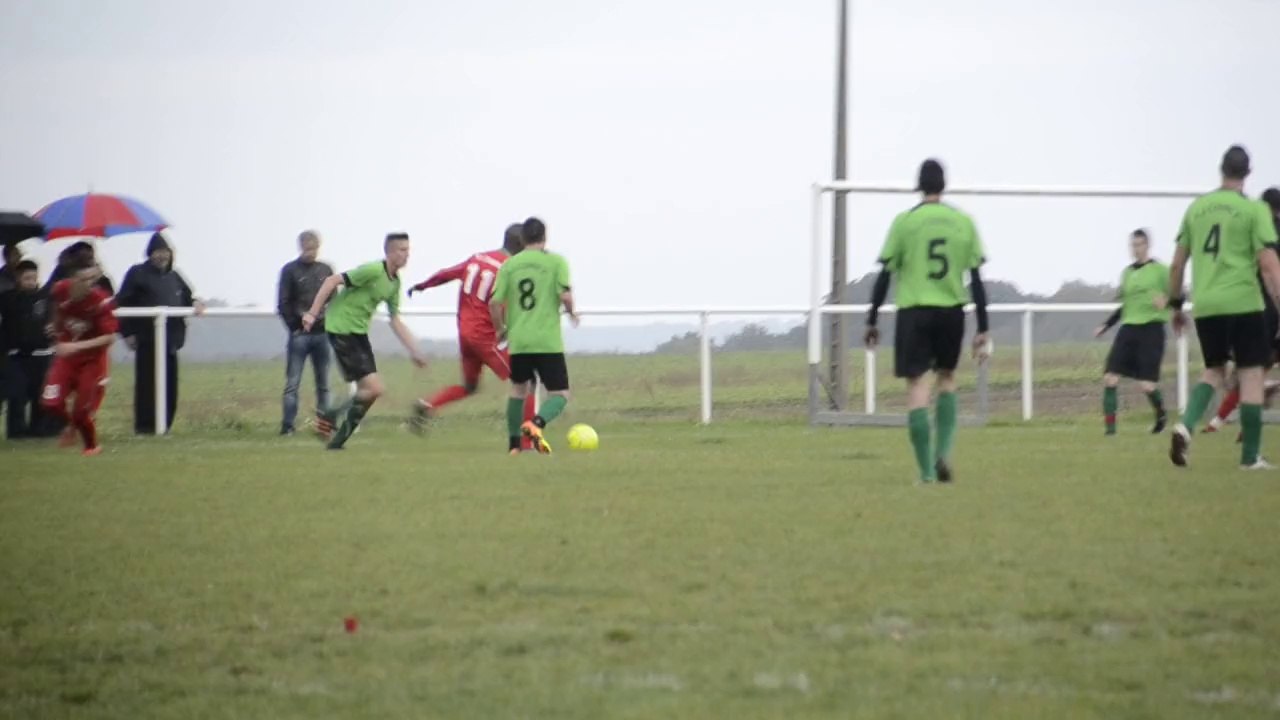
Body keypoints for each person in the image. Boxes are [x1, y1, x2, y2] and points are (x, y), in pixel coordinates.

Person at [864, 159, 990, 484]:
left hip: (915, 311)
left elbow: (885, 275)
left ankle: (926, 473)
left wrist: (872, 319)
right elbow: (976, 279)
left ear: (919, 186)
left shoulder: (905, 222)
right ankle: (943, 454)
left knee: (917, 386)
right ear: (943, 185)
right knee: (947, 379)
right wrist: (983, 327)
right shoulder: (963, 222)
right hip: (952, 311)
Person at [1167, 145, 1280, 470]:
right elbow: (1269, 264)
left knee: (1214, 370)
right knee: (1251, 375)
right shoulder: (1254, 210)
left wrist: (1176, 305)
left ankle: (1185, 425)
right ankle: (1250, 458)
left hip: (1206, 304)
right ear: (1247, 173)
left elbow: (1176, 266)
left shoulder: (1196, 209)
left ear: (1221, 170)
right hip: (1244, 302)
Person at [304, 232, 428, 450]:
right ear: (389, 252)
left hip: (358, 333)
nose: (407, 255)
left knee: (369, 393)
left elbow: (395, 320)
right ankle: (329, 416)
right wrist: (312, 314)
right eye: (402, 250)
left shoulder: (394, 282)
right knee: (374, 389)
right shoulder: (373, 270)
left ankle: (336, 442)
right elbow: (332, 281)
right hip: (341, 327)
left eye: (408, 250)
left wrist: (414, 350)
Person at [406, 223, 535, 433]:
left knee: (470, 386)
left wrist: (423, 285)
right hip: (485, 337)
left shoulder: (478, 258)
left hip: (465, 334)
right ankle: (530, 439)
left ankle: (427, 406)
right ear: (521, 244)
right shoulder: (510, 268)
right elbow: (502, 305)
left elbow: (448, 273)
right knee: (525, 381)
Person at [490, 217, 579, 455]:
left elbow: (495, 302)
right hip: (547, 341)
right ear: (544, 237)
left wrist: (500, 329)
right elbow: (565, 296)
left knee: (518, 391)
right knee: (560, 395)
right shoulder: (556, 262)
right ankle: (536, 423)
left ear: (522, 239)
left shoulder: (510, 265)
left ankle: (513, 446)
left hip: (519, 341)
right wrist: (572, 315)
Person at [1204, 185, 1280, 434]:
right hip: (1266, 310)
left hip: (1256, 309)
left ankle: (1222, 422)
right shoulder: (1265, 232)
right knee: (1252, 374)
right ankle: (1237, 422)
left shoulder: (1253, 230)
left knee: (1248, 373)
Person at [116, 232, 204, 434]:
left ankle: (165, 425)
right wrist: (127, 332)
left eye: (165, 252)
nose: (161, 256)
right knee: (147, 385)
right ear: (150, 254)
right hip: (147, 340)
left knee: (170, 385)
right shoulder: (137, 273)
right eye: (157, 252)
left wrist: (196, 303)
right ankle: (145, 427)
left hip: (171, 341)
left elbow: (190, 297)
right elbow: (121, 304)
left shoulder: (175, 275)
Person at [1093, 229, 1170, 435]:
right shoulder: (1127, 274)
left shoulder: (1160, 270)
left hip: (1152, 329)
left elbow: (1179, 293)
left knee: (1147, 386)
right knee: (1110, 377)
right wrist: (1106, 325)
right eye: (1133, 245)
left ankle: (1161, 415)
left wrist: (1168, 301)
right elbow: (1125, 306)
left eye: (1140, 245)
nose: (1136, 249)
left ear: (1147, 245)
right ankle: (1110, 431)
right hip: (1129, 328)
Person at [41, 259, 119, 455]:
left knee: (82, 411)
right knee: (51, 402)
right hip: (67, 359)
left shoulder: (101, 301)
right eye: (84, 279)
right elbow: (57, 311)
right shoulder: (60, 290)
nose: (90, 283)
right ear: (72, 279)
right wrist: (55, 328)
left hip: (92, 361)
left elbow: (110, 337)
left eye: (93, 278)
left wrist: (74, 346)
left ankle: (91, 446)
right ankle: (71, 427)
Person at [276, 230, 334, 435]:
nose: (311, 252)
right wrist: (296, 326)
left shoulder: (326, 270)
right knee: (292, 384)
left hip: (323, 334)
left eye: (314, 248)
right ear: (300, 246)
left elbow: (334, 300)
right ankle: (288, 426)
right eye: (308, 248)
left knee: (324, 384)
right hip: (299, 336)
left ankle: (325, 425)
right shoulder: (290, 271)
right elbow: (283, 303)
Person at [0, 260, 54, 438]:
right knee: (18, 392)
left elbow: (54, 318)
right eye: (27, 278)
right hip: (16, 355)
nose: (31, 281)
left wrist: (53, 327)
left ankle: (38, 429)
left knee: (39, 393)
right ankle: (16, 431)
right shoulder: (8, 299)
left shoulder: (45, 298)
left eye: (34, 277)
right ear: (18, 278)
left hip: (41, 354)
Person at [43, 241, 114, 295]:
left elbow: (109, 295)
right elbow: (49, 291)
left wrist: (100, 277)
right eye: (89, 258)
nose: (93, 260)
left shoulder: (96, 271)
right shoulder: (63, 270)